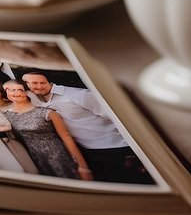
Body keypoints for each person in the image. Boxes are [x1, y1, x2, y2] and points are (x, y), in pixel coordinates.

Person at [20, 71, 151, 184]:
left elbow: (116, 116)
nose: (38, 86)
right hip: (88, 151)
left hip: (114, 147)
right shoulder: (40, 102)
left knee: (135, 182)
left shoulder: (77, 95)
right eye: (33, 83)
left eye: (42, 82)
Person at [1, 80, 93, 181]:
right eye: (9, 90)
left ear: (27, 92)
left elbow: (66, 137)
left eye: (19, 89)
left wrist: (83, 167)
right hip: (31, 161)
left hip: (57, 157)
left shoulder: (46, 112)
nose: (14, 93)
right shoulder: (6, 116)